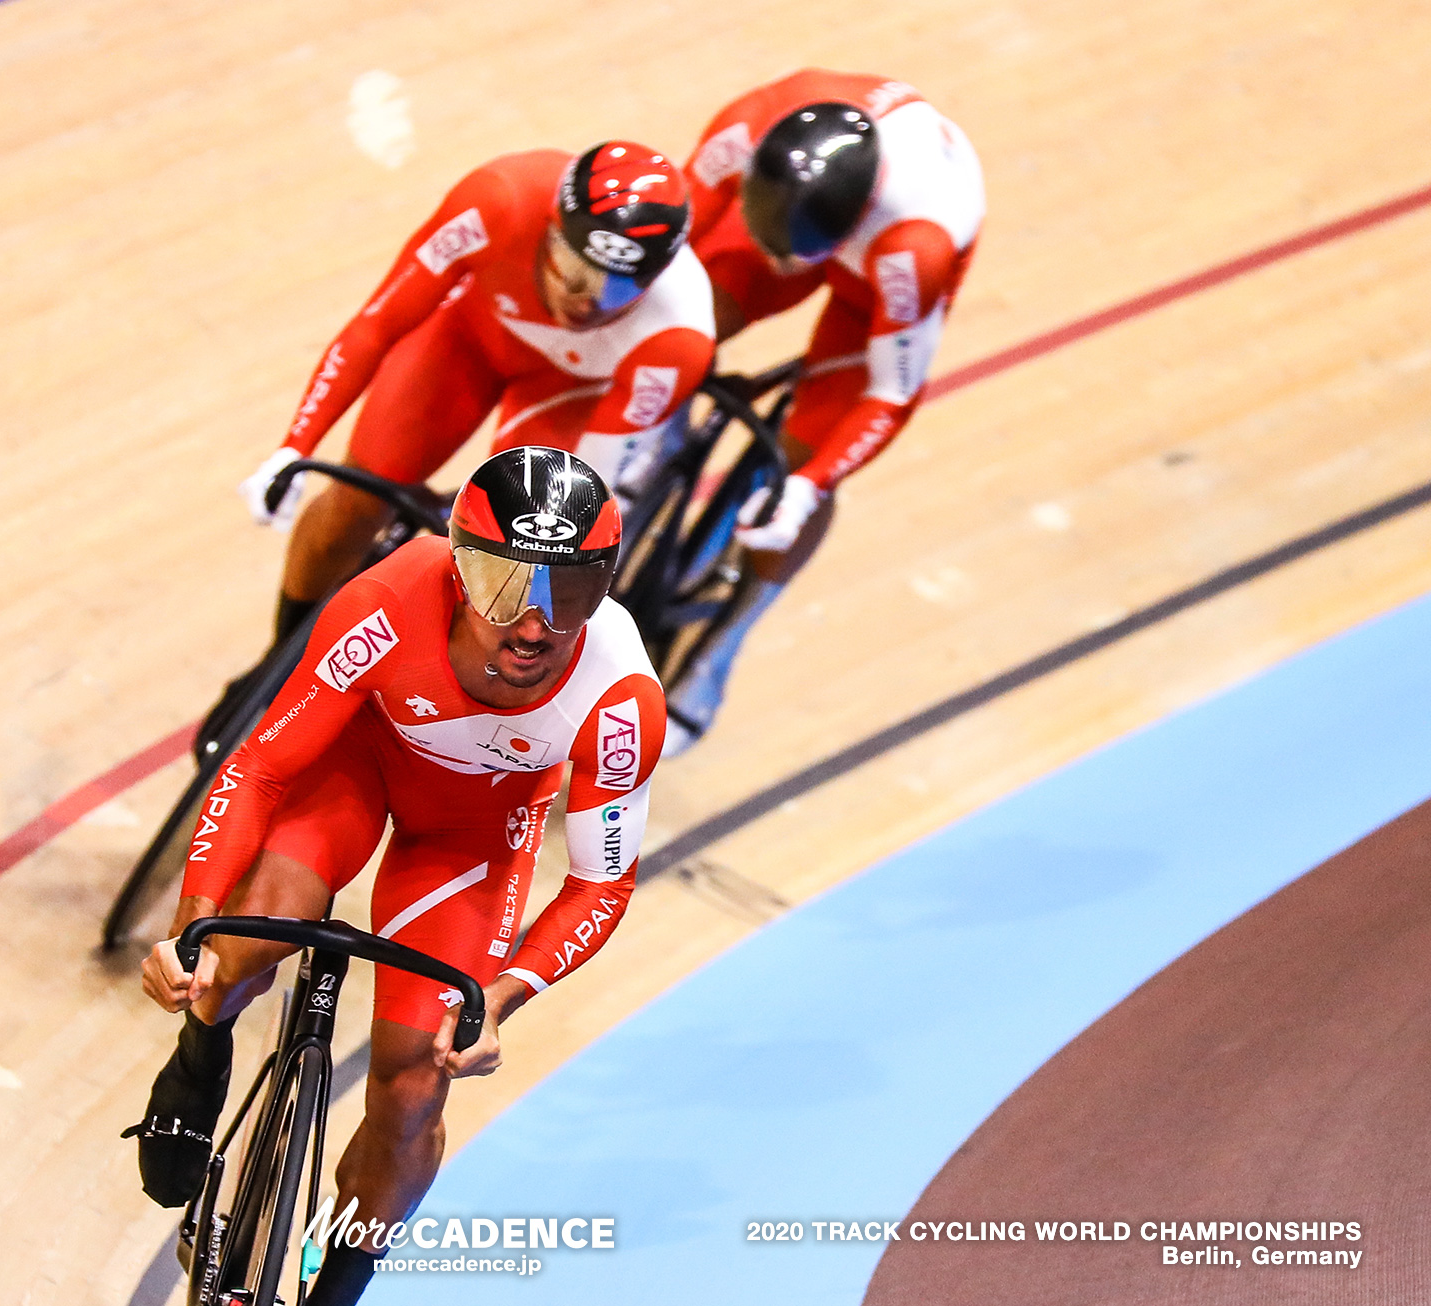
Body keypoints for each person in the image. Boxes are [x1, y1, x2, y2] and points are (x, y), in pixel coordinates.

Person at [131, 447, 666, 1306]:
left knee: (414, 1084)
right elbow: (261, 769)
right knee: (236, 952)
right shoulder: (386, 603)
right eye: (506, 587)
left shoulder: (620, 698)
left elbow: (601, 882)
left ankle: (342, 1278)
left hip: (471, 837)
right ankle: (200, 1053)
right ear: (458, 570)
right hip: (355, 769)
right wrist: (189, 928)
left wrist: (502, 994)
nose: (533, 625)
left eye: (567, 593)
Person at [229, 140, 714, 676]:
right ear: (551, 230)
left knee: (521, 563)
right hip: (467, 344)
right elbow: (376, 325)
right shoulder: (497, 202)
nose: (584, 302)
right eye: (574, 272)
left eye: (615, 292)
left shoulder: (678, 337)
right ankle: (277, 663)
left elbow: (594, 489)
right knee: (358, 497)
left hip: (569, 392)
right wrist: (294, 446)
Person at [661, 70, 984, 754]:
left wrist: (806, 490)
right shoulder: (744, 130)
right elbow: (668, 259)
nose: (783, 267)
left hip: (873, 274)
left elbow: (891, 393)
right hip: (795, 215)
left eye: (796, 256)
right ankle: (643, 473)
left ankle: (717, 651)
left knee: (809, 455)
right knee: (681, 327)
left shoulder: (913, 250)